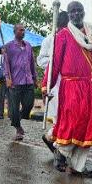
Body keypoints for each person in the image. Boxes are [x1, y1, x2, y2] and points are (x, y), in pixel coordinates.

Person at [42, 1, 92, 178]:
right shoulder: (64, 35)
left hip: (89, 87)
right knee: (73, 123)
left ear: (84, 12)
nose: (76, 14)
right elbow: (55, 64)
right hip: (71, 87)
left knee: (88, 127)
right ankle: (61, 153)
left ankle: (78, 167)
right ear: (69, 14)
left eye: (79, 11)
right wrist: (46, 86)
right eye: (73, 11)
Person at [37, 11, 69, 153]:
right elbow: (41, 60)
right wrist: (55, 63)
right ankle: (58, 147)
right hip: (55, 83)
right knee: (58, 115)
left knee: (67, 115)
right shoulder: (49, 40)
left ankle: (53, 139)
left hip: (69, 83)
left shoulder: (72, 39)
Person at [4, 24, 38, 141]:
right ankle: (18, 128)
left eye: (24, 30)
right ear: (15, 32)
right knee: (14, 107)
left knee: (29, 105)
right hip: (15, 82)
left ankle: (16, 117)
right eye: (21, 30)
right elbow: (6, 64)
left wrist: (35, 78)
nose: (23, 32)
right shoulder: (8, 47)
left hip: (28, 81)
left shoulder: (28, 46)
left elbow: (32, 63)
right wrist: (8, 78)